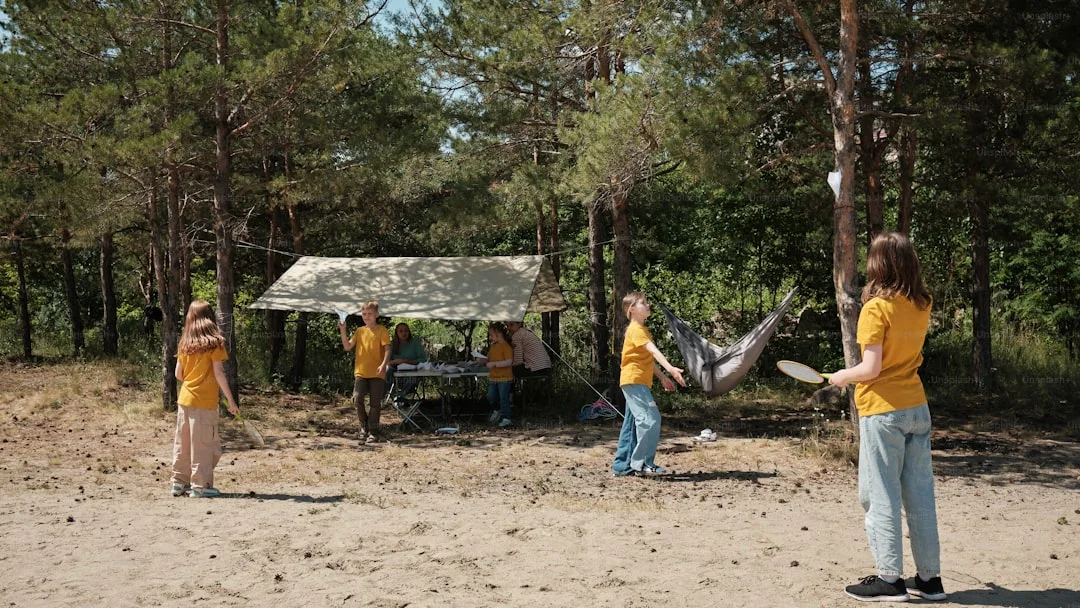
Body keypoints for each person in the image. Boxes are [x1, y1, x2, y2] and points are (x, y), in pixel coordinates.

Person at [828, 232, 945, 602]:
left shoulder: (875, 309)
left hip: (883, 411)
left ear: (878, 264)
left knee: (880, 495)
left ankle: (890, 580)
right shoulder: (921, 304)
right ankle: (929, 580)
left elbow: (871, 368)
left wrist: (842, 376)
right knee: (919, 495)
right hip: (916, 408)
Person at [611, 292, 685, 477]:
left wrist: (661, 377)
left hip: (634, 382)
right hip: (634, 382)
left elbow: (647, 358)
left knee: (632, 425)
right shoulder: (636, 330)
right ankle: (643, 464)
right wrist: (671, 369)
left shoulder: (642, 330)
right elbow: (654, 351)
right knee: (651, 420)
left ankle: (622, 467)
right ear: (632, 310)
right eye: (643, 303)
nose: (647, 305)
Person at [171, 300, 239, 498]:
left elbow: (178, 374)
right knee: (203, 444)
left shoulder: (185, 344)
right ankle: (200, 486)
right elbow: (219, 373)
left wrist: (193, 380)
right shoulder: (215, 344)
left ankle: (178, 483)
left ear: (190, 318)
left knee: (182, 444)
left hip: (184, 401)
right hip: (204, 403)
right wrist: (231, 401)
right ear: (210, 317)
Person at [339, 300, 391, 444]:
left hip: (377, 372)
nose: (366, 316)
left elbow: (388, 349)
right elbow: (347, 346)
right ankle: (364, 427)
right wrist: (343, 330)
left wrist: (383, 364)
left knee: (375, 404)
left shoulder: (382, 330)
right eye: (364, 314)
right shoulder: (360, 331)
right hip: (361, 372)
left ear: (377, 315)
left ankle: (373, 432)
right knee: (357, 398)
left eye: (369, 314)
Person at [479, 322, 514, 427]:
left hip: (504, 378)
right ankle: (496, 410)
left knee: (504, 398)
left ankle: (507, 418)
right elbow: (489, 358)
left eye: (492, 335)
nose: (490, 337)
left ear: (499, 334)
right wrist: (482, 360)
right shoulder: (493, 346)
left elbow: (509, 362)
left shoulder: (506, 347)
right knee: (491, 396)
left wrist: (494, 364)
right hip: (493, 377)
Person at [386, 323, 427, 401]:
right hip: (396, 373)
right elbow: (386, 361)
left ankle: (402, 398)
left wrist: (406, 361)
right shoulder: (393, 344)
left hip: (414, 371)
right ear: (397, 333)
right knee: (386, 371)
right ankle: (381, 396)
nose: (404, 333)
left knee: (412, 379)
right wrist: (397, 361)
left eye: (406, 331)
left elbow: (423, 359)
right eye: (401, 331)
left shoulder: (415, 343)